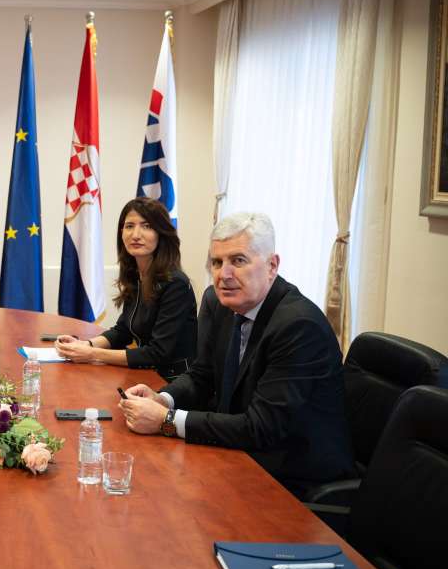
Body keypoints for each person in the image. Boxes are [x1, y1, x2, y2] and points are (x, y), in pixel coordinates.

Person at [118, 212, 353, 497]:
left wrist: (167, 420)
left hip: (291, 478)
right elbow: (202, 375)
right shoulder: (222, 304)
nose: (224, 275)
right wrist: (163, 399)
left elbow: (261, 427)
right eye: (217, 262)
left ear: (272, 266)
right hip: (239, 454)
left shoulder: (298, 326)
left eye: (238, 261)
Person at [55, 197, 197, 381]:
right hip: (145, 374)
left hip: (172, 381)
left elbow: (157, 353)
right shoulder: (136, 275)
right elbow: (123, 331)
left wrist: (92, 354)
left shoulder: (176, 284)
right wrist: (86, 345)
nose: (136, 235)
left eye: (147, 226)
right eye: (129, 226)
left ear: (161, 233)